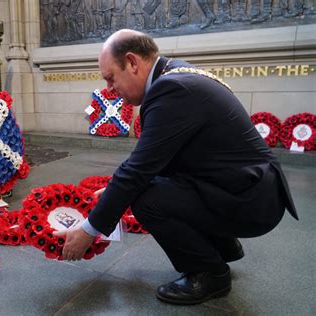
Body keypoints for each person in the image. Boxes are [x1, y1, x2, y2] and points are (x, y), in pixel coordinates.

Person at [54, 29, 298, 305]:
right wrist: (115, 190)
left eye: (110, 78)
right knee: (148, 185)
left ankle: (210, 273)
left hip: (251, 202)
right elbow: (160, 158)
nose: (109, 89)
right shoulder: (176, 74)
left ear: (132, 63)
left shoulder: (171, 89)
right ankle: (222, 245)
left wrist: (88, 231)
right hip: (247, 188)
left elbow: (137, 170)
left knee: (146, 199)